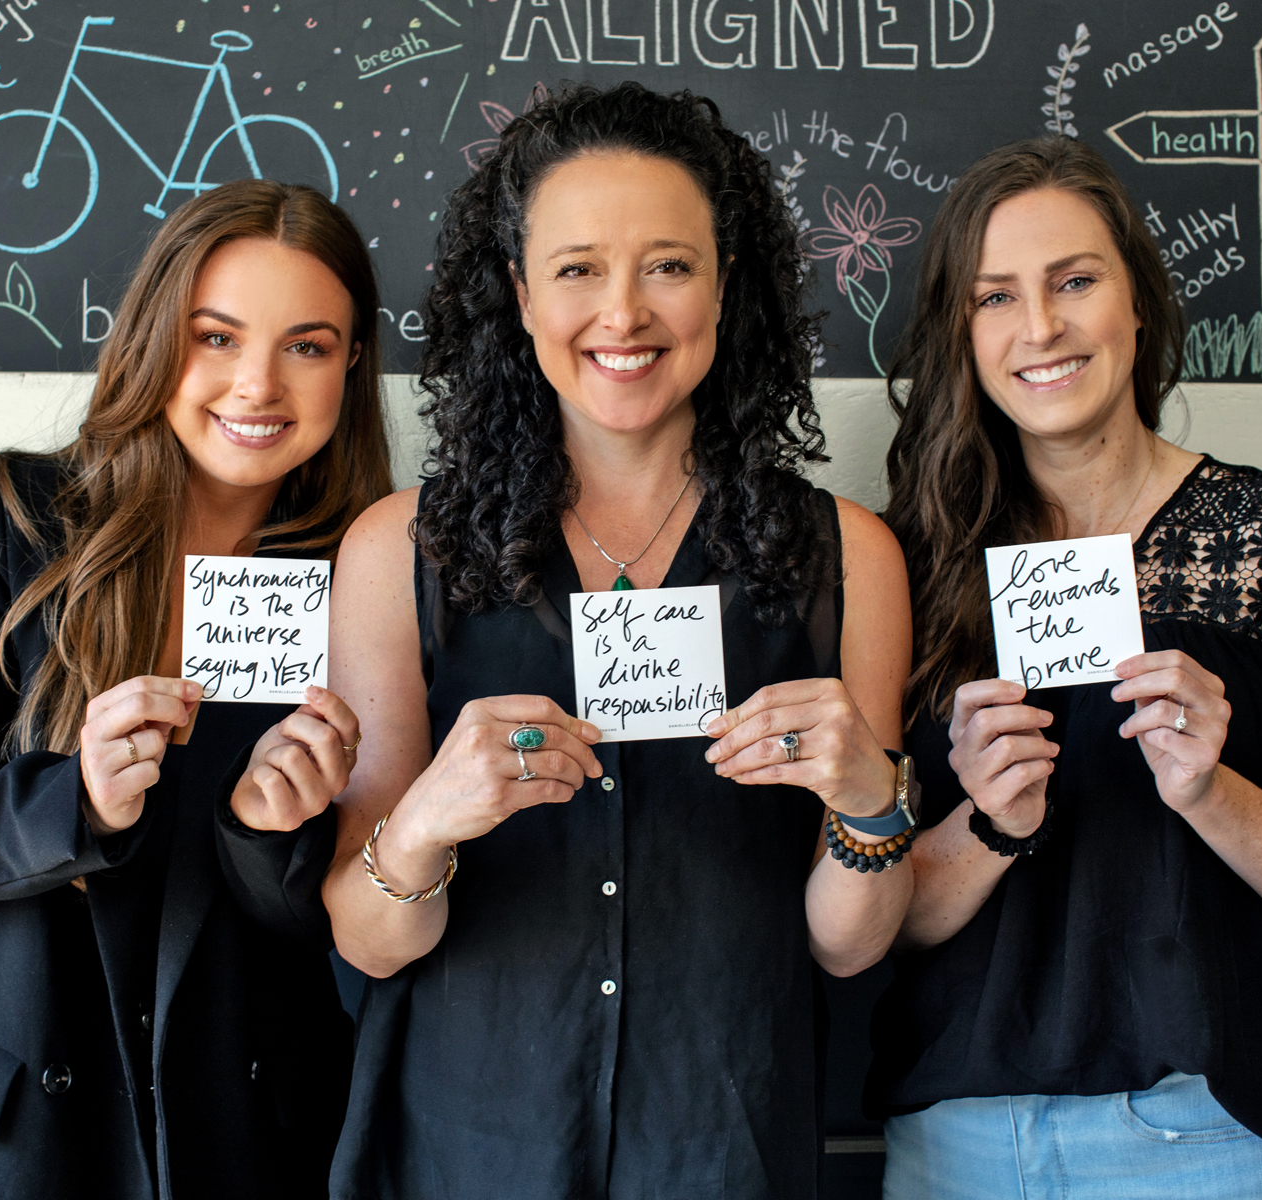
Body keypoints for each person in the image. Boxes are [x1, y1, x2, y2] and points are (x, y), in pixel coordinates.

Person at [230, 81, 913, 1199]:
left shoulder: (850, 560)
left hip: (724, 1148)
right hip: (462, 1148)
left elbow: (848, 945)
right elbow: (368, 940)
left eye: (671, 265)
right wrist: (425, 824)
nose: (625, 312)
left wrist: (869, 801)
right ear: (519, 293)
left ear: (728, 288)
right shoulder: (398, 550)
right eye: (579, 268)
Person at [870, 138, 1262, 1200]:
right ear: (961, 334)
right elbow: (882, 918)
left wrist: (1212, 794)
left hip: (1217, 1140)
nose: (1041, 327)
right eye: (996, 297)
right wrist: (985, 821)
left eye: (1075, 281)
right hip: (965, 1146)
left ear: (1139, 305)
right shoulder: (913, 564)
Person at [0, 180, 387, 1200]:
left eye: (307, 346)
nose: (256, 385)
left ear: (353, 364)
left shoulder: (365, 578)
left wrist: (268, 831)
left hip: (241, 1124)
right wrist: (78, 800)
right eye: (217, 337)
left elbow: (342, 918)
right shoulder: (10, 518)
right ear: (156, 337)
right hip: (8, 1128)